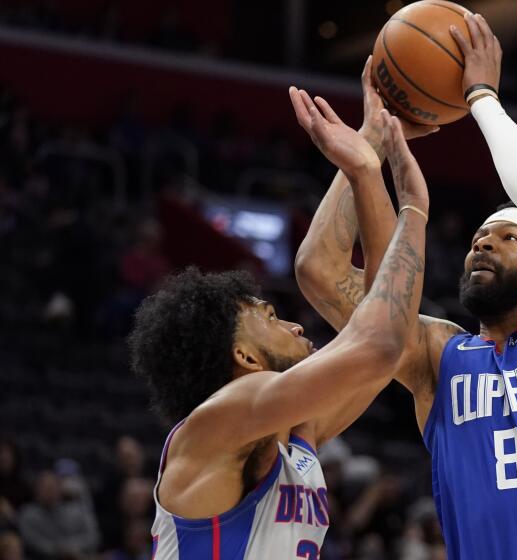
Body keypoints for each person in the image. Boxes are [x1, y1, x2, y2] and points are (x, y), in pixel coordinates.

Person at [293, 12, 517, 559]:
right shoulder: (439, 357)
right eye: (480, 236)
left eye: (508, 237)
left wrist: (481, 96)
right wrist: (366, 153)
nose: (484, 244)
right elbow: (321, 271)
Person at [127, 107, 430, 558]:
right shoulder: (221, 418)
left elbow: (391, 334)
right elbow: (379, 342)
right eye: (270, 319)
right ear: (245, 358)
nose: (294, 324)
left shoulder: (291, 433)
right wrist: (408, 209)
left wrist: (370, 146)